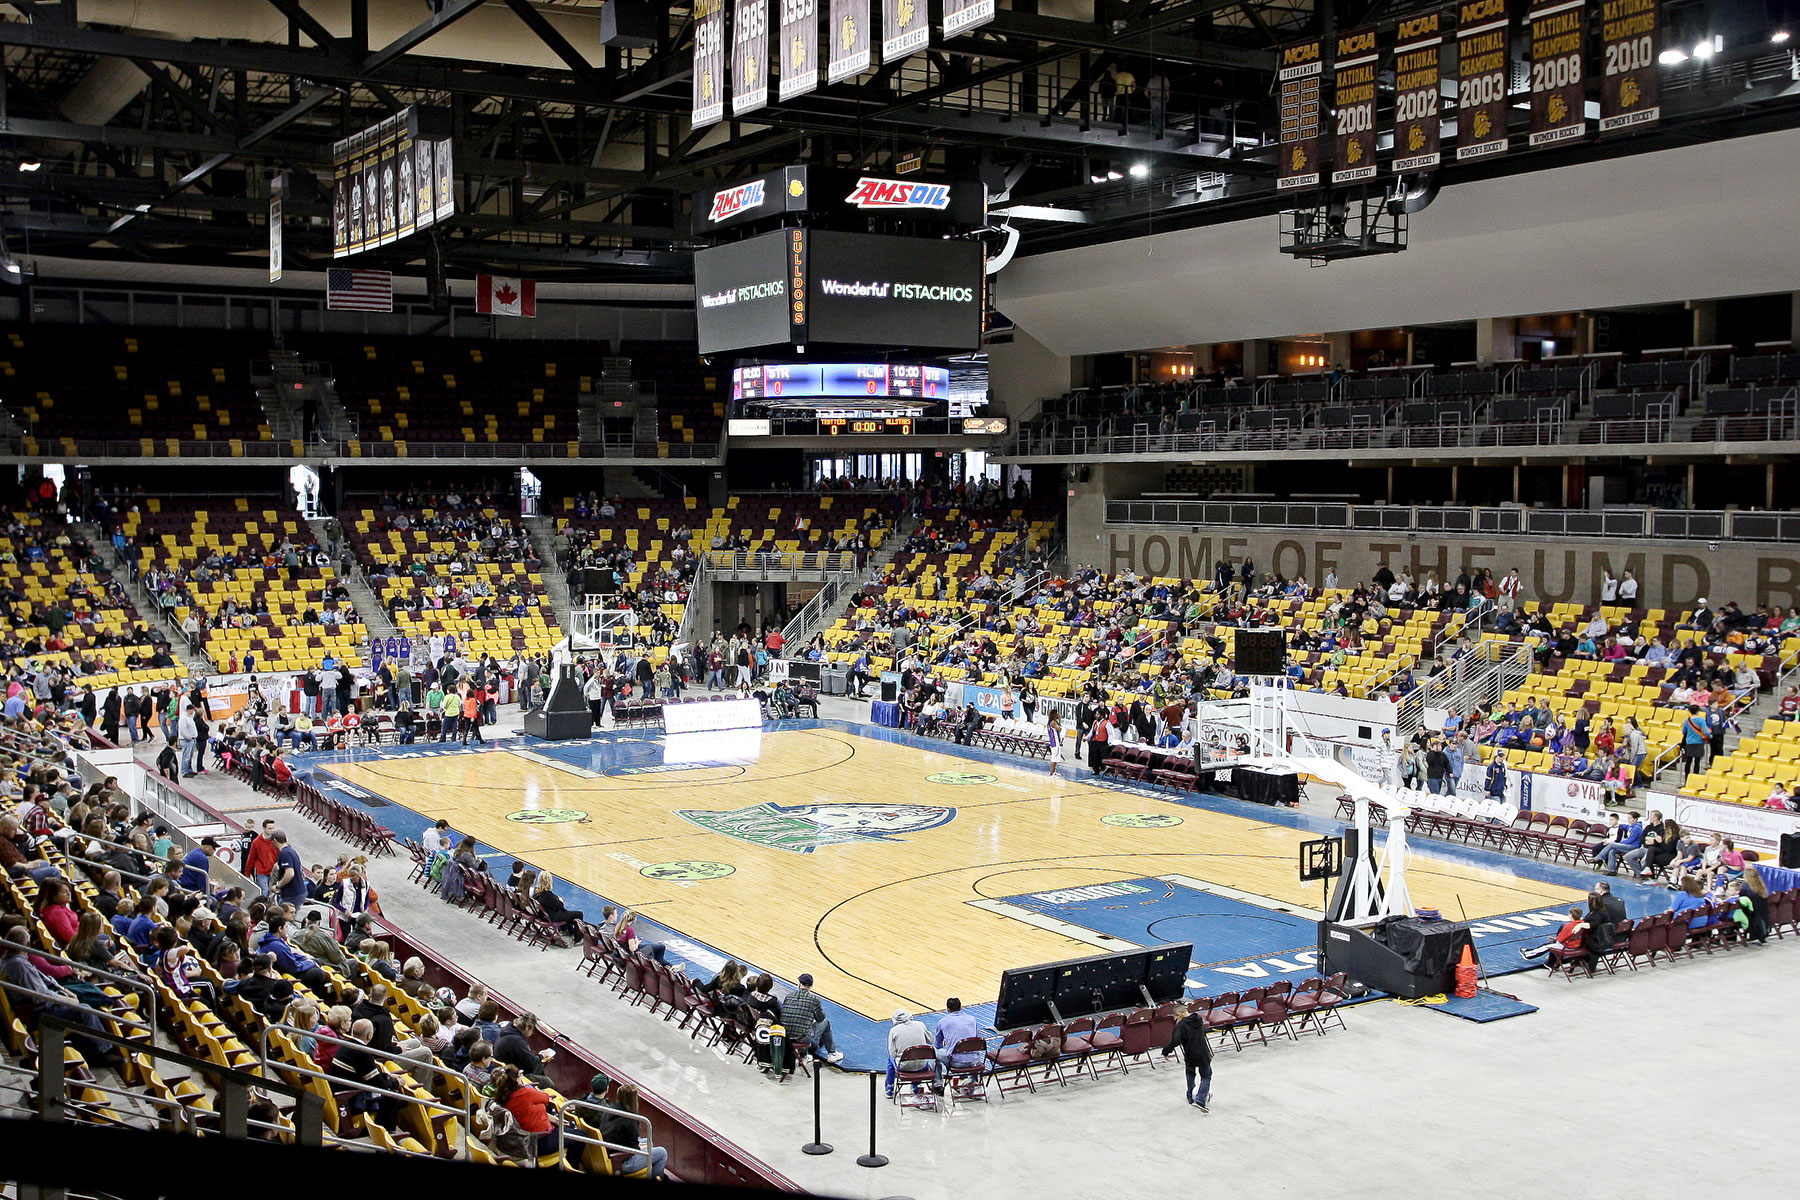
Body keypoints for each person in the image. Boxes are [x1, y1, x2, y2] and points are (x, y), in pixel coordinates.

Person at [598, 1083, 668, 1179]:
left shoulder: (609, 1109)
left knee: (648, 1142)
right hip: (621, 1161)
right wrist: (639, 1148)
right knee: (662, 1152)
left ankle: (651, 1173)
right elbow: (633, 1148)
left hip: (609, 1151)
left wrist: (639, 1146)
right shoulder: (630, 1119)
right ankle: (657, 1177)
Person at [1160, 1000, 1214, 1111]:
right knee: (1206, 1076)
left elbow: (1175, 1040)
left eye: (1175, 1017)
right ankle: (1200, 1098)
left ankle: (1190, 1096)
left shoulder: (1181, 1025)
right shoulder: (1198, 1019)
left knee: (1190, 1075)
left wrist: (1166, 1051)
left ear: (1179, 1015)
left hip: (1190, 1054)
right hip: (1203, 1052)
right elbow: (1203, 1032)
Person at [779, 973, 844, 1064]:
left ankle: (804, 1055)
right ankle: (832, 1053)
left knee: (801, 1025)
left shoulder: (789, 996)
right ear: (811, 986)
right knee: (825, 1024)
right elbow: (820, 1019)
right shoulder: (814, 999)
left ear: (799, 984)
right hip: (802, 1037)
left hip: (785, 1034)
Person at [1518, 906, 1587, 973]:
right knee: (1553, 944)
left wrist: (1555, 939)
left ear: (1571, 915)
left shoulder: (1568, 926)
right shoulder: (1584, 924)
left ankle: (1528, 954)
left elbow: (1560, 940)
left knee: (1547, 946)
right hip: (1577, 946)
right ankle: (1550, 963)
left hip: (1568, 947)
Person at [933, 995, 983, 1084]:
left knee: (934, 1052)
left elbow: (937, 1045)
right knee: (970, 1049)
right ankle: (973, 1080)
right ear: (961, 1007)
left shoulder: (942, 1022)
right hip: (975, 1060)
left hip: (956, 1062)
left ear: (948, 1009)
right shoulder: (972, 1019)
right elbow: (977, 1041)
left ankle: (938, 1084)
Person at [885, 1009, 932, 1098]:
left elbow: (892, 1053)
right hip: (922, 1066)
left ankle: (889, 1088)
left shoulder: (893, 1030)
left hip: (904, 1067)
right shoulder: (920, 1025)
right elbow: (931, 1040)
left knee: (890, 1058)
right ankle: (916, 1086)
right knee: (917, 1056)